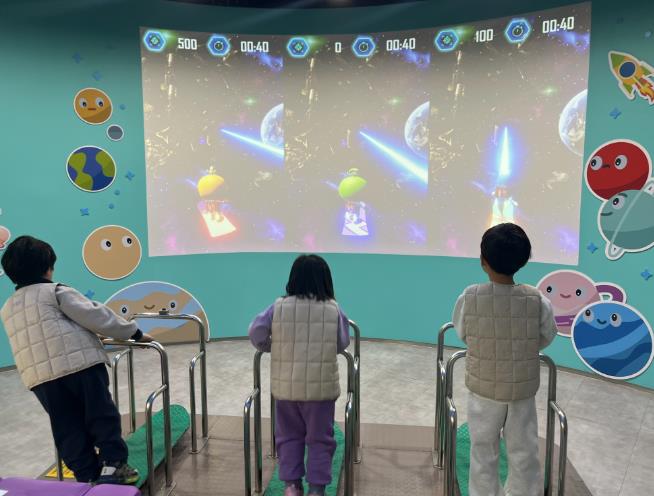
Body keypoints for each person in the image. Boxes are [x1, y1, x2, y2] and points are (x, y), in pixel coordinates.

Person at [0, 235, 152, 485]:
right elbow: (96, 316)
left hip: (41, 378)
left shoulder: (7, 308)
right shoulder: (55, 291)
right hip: (80, 366)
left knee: (67, 427)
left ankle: (86, 475)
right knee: (100, 415)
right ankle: (114, 465)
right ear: (48, 268)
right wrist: (133, 333)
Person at [452, 223, 557, 496]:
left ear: (483, 260)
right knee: (524, 449)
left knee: (482, 450)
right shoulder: (536, 299)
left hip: (483, 388)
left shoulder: (469, 296)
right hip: (521, 390)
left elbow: (464, 332)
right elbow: (546, 335)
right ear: (523, 260)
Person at [249, 254, 350, 496]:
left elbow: (256, 332)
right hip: (320, 392)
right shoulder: (333, 309)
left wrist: (271, 346)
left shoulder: (278, 306)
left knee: (288, 437)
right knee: (320, 439)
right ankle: (316, 489)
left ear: (293, 279)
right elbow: (342, 342)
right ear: (325, 280)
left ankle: (292, 486)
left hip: (286, 390)